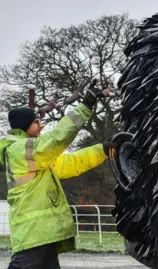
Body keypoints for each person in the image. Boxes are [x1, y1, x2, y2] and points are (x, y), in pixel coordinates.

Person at [0, 85, 117, 269]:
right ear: (24, 126)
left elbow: (71, 163)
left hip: (42, 233)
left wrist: (102, 149)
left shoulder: (37, 156)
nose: (41, 125)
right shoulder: (20, 150)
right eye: (36, 122)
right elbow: (57, 138)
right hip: (33, 232)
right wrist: (85, 106)